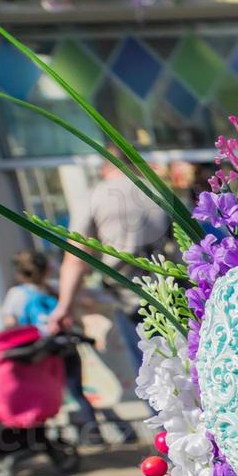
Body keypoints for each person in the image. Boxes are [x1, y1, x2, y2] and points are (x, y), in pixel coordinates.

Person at [50, 152, 171, 373]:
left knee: (151, 373)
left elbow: (76, 258)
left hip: (129, 297)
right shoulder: (159, 191)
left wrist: (64, 306)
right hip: (172, 293)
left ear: (105, 168)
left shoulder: (95, 196)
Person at [2, 249, 99, 434]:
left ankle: (51, 435)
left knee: (42, 394)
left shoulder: (17, 294)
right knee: (77, 391)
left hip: (39, 352)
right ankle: (94, 433)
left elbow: (10, 324)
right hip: (65, 345)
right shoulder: (56, 288)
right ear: (47, 269)